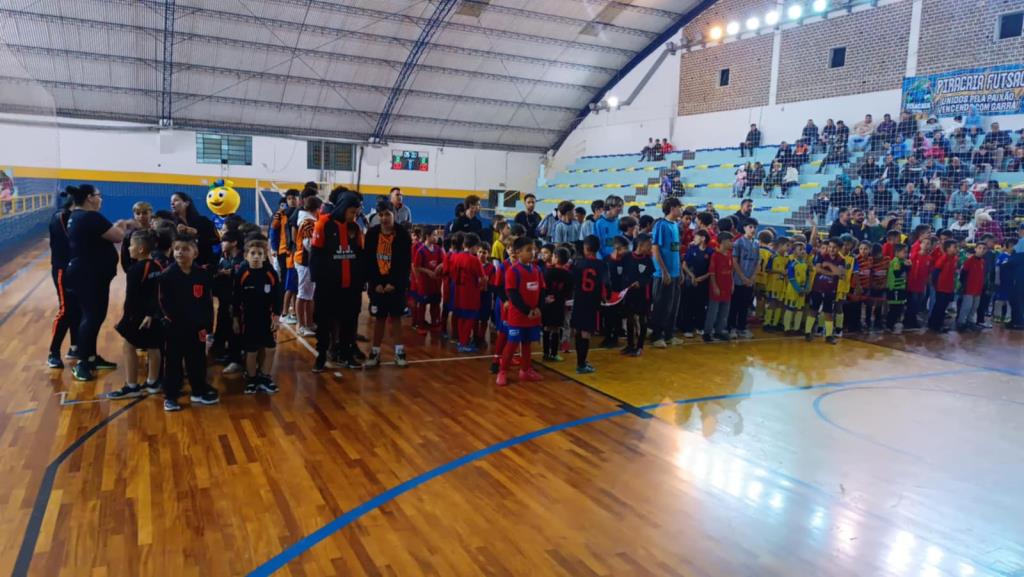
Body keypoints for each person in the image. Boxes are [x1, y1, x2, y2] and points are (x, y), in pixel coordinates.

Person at [65, 185, 136, 381]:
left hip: (87, 273)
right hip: (89, 275)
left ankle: (91, 357)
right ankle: (82, 363)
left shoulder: (77, 216)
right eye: (99, 196)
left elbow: (101, 233)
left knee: (93, 316)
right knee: (91, 317)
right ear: (90, 197)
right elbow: (117, 236)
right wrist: (123, 224)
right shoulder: (90, 217)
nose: (101, 199)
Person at [158, 233, 218, 411]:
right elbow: (162, 303)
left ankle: (198, 390)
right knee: (173, 363)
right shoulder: (167, 275)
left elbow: (207, 303)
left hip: (197, 328)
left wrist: (208, 328)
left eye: (185, 249)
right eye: (177, 249)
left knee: (197, 360)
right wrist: (172, 321)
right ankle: (171, 396)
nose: (180, 252)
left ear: (195, 253)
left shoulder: (202, 275)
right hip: (175, 328)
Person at [310, 189, 365, 372]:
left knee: (349, 322)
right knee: (324, 323)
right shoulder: (323, 224)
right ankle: (321, 355)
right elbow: (315, 255)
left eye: (356, 213)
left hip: (350, 287)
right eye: (352, 212)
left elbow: (359, 255)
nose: (354, 216)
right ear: (343, 208)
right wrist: (318, 279)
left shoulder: (355, 228)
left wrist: (361, 280)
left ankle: (347, 354)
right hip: (328, 287)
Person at [106, 230, 164, 399]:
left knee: (128, 346)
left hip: (138, 315)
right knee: (154, 346)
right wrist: (153, 313)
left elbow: (131, 297)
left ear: (140, 249)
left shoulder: (136, 270)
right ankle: (153, 382)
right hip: (155, 314)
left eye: (131, 245)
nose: (128, 248)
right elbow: (159, 292)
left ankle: (131, 386)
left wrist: (126, 319)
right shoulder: (157, 265)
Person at [363, 200, 413, 367]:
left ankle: (399, 353)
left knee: (396, 318)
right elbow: (369, 261)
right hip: (378, 285)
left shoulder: (403, 235)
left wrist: (395, 283)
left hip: (395, 285)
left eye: (387, 214)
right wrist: (375, 283)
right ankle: (375, 353)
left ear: (394, 215)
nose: (384, 218)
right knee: (379, 319)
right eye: (381, 215)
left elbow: (405, 264)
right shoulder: (372, 234)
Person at [233, 238, 282, 394]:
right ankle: (251, 379)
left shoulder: (270, 274)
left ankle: (265, 377)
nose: (256, 257)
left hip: (266, 318)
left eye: (259, 254)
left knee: (270, 348)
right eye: (252, 253)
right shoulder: (242, 274)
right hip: (248, 319)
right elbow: (236, 299)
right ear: (246, 256)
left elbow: (277, 297)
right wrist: (235, 319)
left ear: (265, 256)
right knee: (251, 350)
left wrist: (276, 317)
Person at [496, 237, 545, 386]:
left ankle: (525, 370)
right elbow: (513, 295)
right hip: (518, 316)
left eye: (533, 249)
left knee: (527, 343)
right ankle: (502, 371)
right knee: (512, 344)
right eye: (528, 250)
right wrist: (526, 310)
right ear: (518, 252)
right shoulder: (513, 271)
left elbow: (542, 290)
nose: (532, 253)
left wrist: (539, 307)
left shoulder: (537, 269)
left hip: (532, 315)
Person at [46, 191, 80, 369]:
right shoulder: (61, 217)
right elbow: (73, 240)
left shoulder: (75, 217)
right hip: (62, 270)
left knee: (77, 309)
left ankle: (75, 347)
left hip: (76, 269)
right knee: (66, 310)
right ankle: (53, 352)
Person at [649, 198, 683, 347]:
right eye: (679, 207)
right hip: (663, 274)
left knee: (673, 306)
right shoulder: (661, 225)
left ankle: (669, 335)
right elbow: (655, 249)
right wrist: (664, 271)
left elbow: (676, 250)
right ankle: (656, 336)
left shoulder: (675, 225)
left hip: (675, 273)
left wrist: (679, 270)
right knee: (661, 306)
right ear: (672, 208)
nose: (681, 210)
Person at [211, 230, 245, 373]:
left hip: (234, 302)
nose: (222, 244)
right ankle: (227, 354)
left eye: (224, 241)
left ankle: (236, 360)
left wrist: (231, 274)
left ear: (234, 243)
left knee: (234, 331)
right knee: (224, 327)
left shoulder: (241, 261)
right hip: (224, 300)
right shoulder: (225, 258)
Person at [572, 235, 606, 374]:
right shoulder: (601, 265)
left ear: (586, 248)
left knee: (578, 330)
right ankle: (581, 364)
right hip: (592, 301)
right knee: (586, 333)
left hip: (579, 300)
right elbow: (605, 284)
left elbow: (573, 282)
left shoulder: (579, 264)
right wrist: (605, 297)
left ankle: (580, 361)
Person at [450, 232, 486, 353]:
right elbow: (482, 277)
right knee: (469, 319)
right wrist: (482, 285)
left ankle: (461, 340)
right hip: (471, 294)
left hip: (458, 291)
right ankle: (464, 343)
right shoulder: (474, 260)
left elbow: (452, 274)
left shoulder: (456, 257)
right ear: (474, 246)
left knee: (461, 317)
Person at [804, 239, 844, 344]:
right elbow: (818, 269)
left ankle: (828, 336)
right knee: (813, 310)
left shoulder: (841, 259)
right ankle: (807, 332)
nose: (831, 249)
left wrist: (829, 265)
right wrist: (831, 273)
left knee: (828, 313)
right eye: (830, 247)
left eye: (834, 247)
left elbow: (840, 273)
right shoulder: (821, 256)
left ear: (839, 249)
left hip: (830, 290)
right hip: (817, 288)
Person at [622, 233, 654, 356]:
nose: (650, 247)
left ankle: (640, 346)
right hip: (630, 294)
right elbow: (624, 273)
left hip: (643, 294)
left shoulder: (648, 260)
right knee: (630, 319)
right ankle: (630, 344)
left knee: (642, 320)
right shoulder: (627, 257)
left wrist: (640, 283)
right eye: (648, 245)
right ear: (641, 245)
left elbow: (649, 277)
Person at [293, 196, 321, 337]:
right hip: (305, 261)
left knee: (309, 295)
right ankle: (301, 325)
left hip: (309, 262)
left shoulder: (309, 221)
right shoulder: (308, 223)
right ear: (317, 208)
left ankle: (309, 323)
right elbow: (309, 244)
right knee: (303, 294)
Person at [729, 219, 759, 339]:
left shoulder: (756, 243)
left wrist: (752, 277)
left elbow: (757, 262)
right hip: (738, 280)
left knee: (745, 305)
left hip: (750, 280)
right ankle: (731, 327)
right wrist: (742, 276)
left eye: (755, 227)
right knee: (735, 305)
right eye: (750, 227)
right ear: (744, 228)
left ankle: (742, 328)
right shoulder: (738, 243)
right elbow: (734, 261)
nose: (753, 229)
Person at [170, 191, 219, 266]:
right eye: (171, 201)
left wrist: (197, 233)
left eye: (176, 200)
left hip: (203, 262)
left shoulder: (203, 221)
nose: (172, 203)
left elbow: (215, 240)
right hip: (180, 263)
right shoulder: (171, 223)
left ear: (187, 203)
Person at [541, 247, 572, 362]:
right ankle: (554, 354)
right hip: (559, 304)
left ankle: (545, 353)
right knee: (556, 329)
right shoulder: (568, 275)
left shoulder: (547, 272)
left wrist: (545, 298)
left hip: (548, 303)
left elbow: (543, 287)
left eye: (553, 256)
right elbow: (568, 291)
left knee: (546, 327)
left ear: (556, 258)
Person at [680, 230, 713, 337]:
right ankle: (688, 328)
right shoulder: (692, 249)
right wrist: (692, 276)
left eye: (696, 237)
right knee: (689, 305)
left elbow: (711, 270)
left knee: (701, 305)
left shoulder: (710, 251)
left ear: (703, 238)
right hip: (691, 281)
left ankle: (700, 327)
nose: (694, 239)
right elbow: (684, 265)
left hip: (703, 282)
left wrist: (701, 278)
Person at [412, 227, 445, 333]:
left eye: (437, 235)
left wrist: (440, 265)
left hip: (435, 283)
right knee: (422, 304)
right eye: (434, 235)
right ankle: (420, 325)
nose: (436, 237)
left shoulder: (438, 249)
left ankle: (435, 323)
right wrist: (428, 272)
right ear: (427, 236)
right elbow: (416, 267)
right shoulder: (421, 251)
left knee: (435, 304)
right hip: (424, 283)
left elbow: (444, 261)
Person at [705, 232, 735, 342]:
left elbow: (731, 271)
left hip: (727, 286)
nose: (732, 243)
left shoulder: (730, 255)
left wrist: (732, 284)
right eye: (730, 241)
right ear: (723, 242)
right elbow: (712, 273)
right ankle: (707, 332)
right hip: (718, 286)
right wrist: (715, 286)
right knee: (713, 311)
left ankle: (719, 331)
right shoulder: (715, 256)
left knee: (724, 311)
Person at [929, 239, 959, 332]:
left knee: (943, 307)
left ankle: (937, 324)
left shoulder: (954, 258)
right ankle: (935, 325)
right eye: (954, 247)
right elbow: (936, 272)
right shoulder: (943, 258)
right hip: (941, 287)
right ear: (948, 248)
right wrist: (935, 285)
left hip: (949, 287)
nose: (956, 249)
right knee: (939, 307)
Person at [957, 242, 987, 331]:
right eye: (980, 248)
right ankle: (961, 322)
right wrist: (963, 286)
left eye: (984, 248)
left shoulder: (982, 261)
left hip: (978, 289)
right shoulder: (969, 260)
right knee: (966, 306)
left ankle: (970, 321)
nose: (982, 250)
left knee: (974, 307)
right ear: (976, 249)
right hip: (969, 288)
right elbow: (963, 274)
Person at [783, 238, 811, 334]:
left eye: (804, 249)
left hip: (802, 290)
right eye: (800, 249)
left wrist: (806, 287)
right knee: (790, 308)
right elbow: (791, 279)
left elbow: (807, 277)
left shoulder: (806, 264)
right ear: (794, 252)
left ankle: (796, 328)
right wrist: (799, 290)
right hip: (793, 290)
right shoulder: (792, 264)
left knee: (800, 309)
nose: (803, 251)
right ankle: (787, 328)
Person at [120, 201, 153, 273]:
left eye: (144, 213)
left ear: (151, 213)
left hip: (154, 270)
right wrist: (130, 271)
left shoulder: (156, 232)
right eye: (138, 213)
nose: (141, 216)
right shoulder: (129, 235)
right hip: (135, 271)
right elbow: (125, 257)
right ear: (134, 215)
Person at [885, 243, 909, 333]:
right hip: (895, 289)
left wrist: (908, 266)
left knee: (899, 307)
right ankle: (889, 325)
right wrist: (905, 266)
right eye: (904, 252)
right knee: (894, 308)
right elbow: (897, 273)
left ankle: (892, 324)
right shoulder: (896, 261)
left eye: (906, 252)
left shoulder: (902, 261)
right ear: (897, 253)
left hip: (901, 288)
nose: (906, 254)